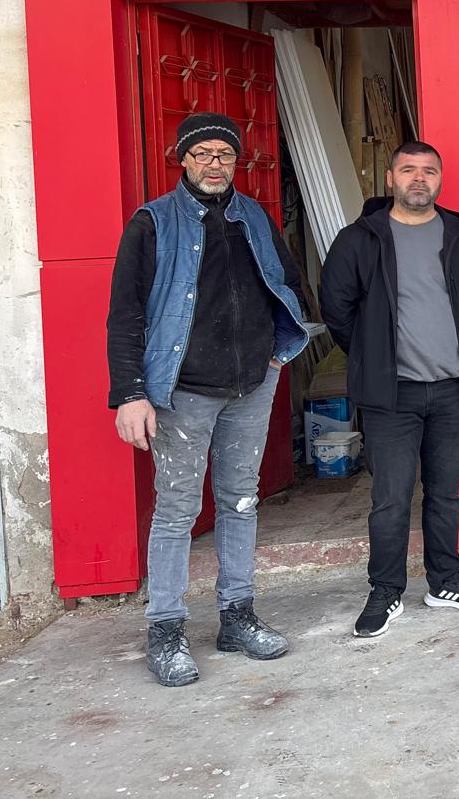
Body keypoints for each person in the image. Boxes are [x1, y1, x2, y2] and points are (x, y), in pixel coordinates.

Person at [106, 112, 308, 687]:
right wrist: (130, 394)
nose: (215, 164)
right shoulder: (152, 223)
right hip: (183, 390)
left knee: (241, 500)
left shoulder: (254, 217)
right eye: (203, 154)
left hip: (251, 385)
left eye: (225, 154)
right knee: (177, 510)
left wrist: (278, 351)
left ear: (236, 161)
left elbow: (288, 283)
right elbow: (125, 314)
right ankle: (166, 630)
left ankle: (237, 616)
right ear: (184, 159)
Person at [321, 140, 459, 637]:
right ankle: (385, 590)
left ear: (440, 179)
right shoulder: (359, 239)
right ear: (391, 178)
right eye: (409, 170)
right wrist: (373, 356)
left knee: (445, 494)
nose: (419, 179)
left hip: (453, 390)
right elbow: (336, 309)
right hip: (391, 396)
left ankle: (445, 581)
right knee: (391, 500)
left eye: (429, 171)